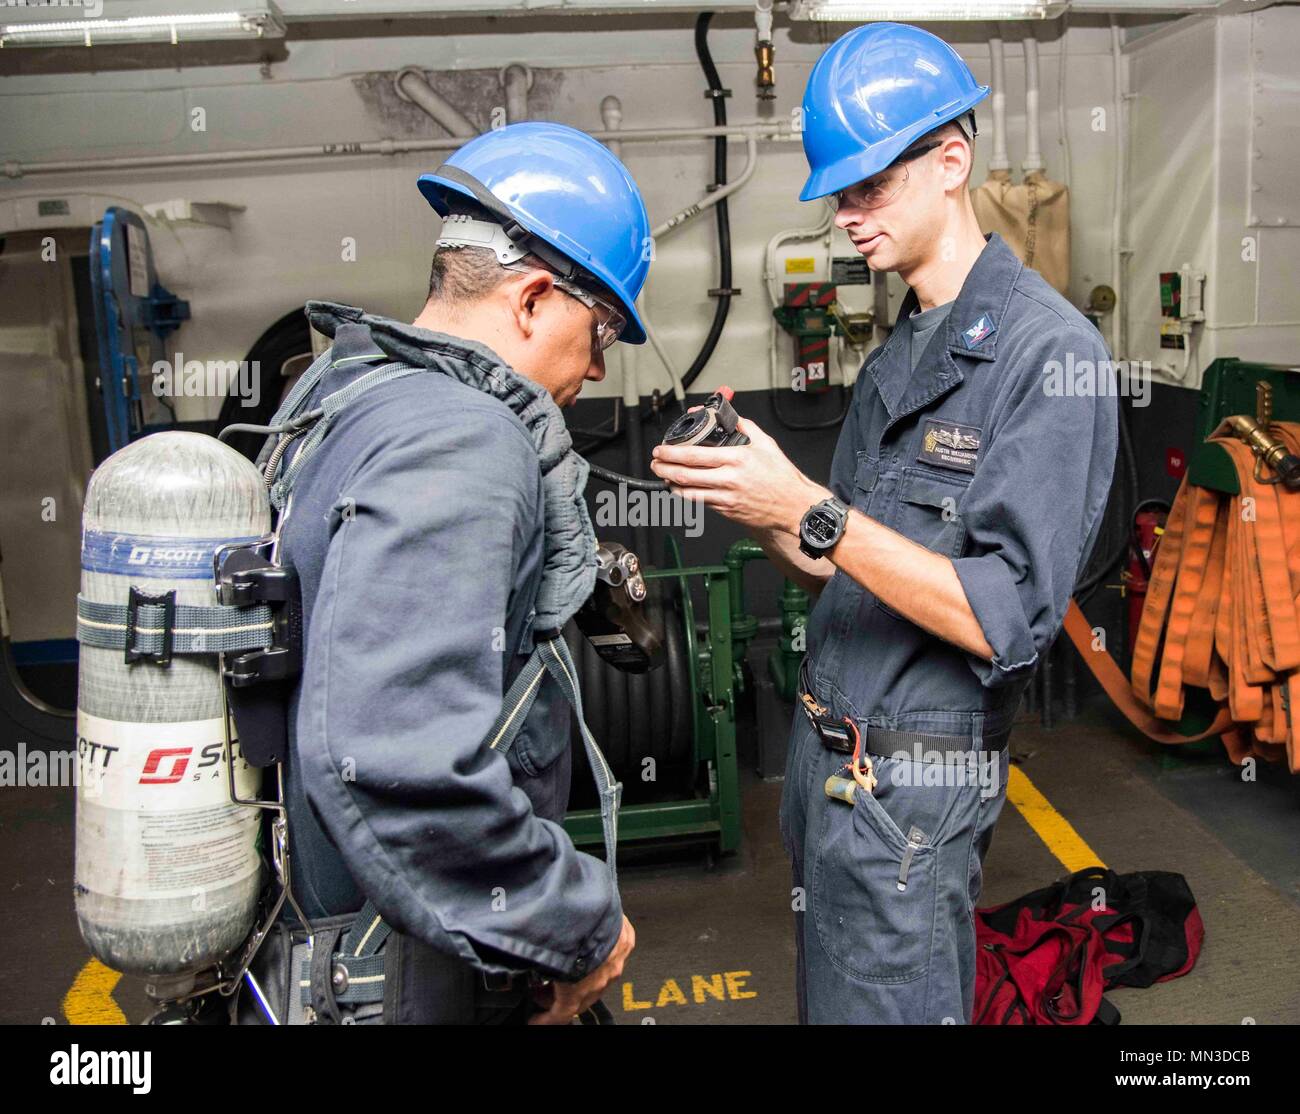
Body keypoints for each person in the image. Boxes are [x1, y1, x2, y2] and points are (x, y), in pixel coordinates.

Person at [651, 23, 1117, 1024]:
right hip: (834, 771)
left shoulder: (1046, 355)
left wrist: (807, 508)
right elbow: (845, 564)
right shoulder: (906, 346)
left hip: (910, 790)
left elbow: (1005, 618)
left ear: (951, 160)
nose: (847, 217)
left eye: (869, 186)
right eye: (839, 194)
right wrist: (754, 499)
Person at [254, 122, 650, 1025]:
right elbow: (397, 758)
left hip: (320, 940)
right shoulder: (465, 439)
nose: (594, 367)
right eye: (603, 332)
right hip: (396, 977)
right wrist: (576, 924)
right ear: (535, 298)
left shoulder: (343, 399)